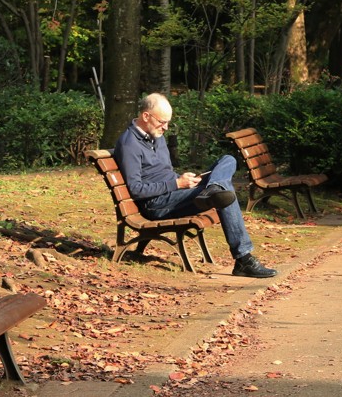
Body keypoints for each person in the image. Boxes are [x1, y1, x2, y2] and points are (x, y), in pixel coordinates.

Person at [114, 93, 277, 278]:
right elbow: (136, 190)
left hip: (175, 192)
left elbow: (163, 171)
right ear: (146, 116)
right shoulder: (129, 145)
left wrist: (184, 179)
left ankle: (212, 188)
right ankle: (243, 260)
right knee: (225, 190)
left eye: (168, 122)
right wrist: (176, 183)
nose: (166, 127)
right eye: (162, 122)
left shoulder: (156, 135)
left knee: (227, 160)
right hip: (157, 204)